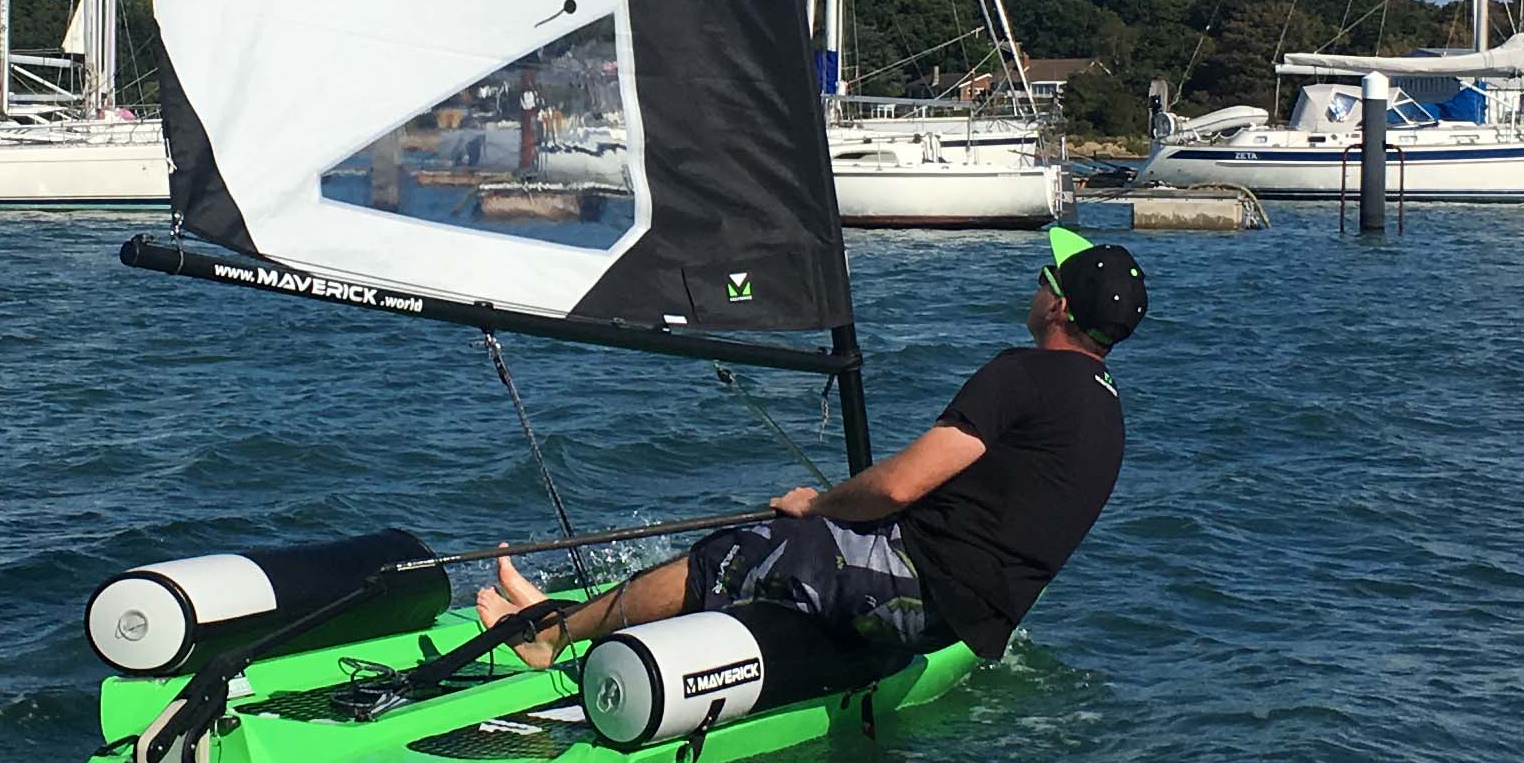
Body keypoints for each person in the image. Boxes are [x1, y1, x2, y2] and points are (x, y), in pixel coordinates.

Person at [481, 224, 1144, 673]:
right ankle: (583, 617)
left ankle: (550, 637)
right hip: (965, 621)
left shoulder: (1024, 373)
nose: (1036, 288)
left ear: (1057, 308)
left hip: (915, 599)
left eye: (1043, 278)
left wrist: (816, 505)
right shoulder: (1107, 408)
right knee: (796, 550)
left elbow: (899, 487)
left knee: (737, 550)